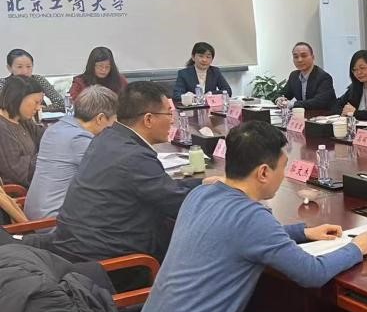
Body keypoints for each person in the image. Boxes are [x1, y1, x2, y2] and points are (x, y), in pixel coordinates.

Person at [134, 121, 367, 312]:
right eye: (283, 167)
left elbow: (236, 235)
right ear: (263, 172)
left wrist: (303, 232)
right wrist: (356, 248)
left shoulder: (201, 193)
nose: (284, 174)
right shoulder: (252, 218)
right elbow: (312, 273)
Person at [44, 82, 217, 272]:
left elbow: (163, 190)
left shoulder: (107, 138)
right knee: (202, 241)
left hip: (78, 249)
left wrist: (202, 183)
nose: (173, 120)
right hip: (114, 264)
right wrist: (220, 193)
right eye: (169, 113)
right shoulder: (134, 157)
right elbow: (178, 203)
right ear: (148, 119)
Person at [24, 86, 118, 221]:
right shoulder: (79, 139)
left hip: (36, 211)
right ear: (100, 118)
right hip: (54, 220)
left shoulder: (55, 128)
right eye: (113, 122)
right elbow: (111, 175)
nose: (113, 127)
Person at [0, 75, 44, 188]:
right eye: (36, 102)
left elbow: (45, 137)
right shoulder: (2, 129)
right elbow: (20, 173)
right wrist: (48, 153)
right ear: (18, 99)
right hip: (21, 192)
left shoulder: (22, 119)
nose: (38, 108)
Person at [276, 42, 335, 111]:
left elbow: (318, 102)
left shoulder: (324, 77)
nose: (299, 60)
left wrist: (293, 104)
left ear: (313, 57)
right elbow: (283, 94)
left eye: (304, 56)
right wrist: (279, 99)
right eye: (296, 57)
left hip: (325, 115)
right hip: (304, 115)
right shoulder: (294, 76)